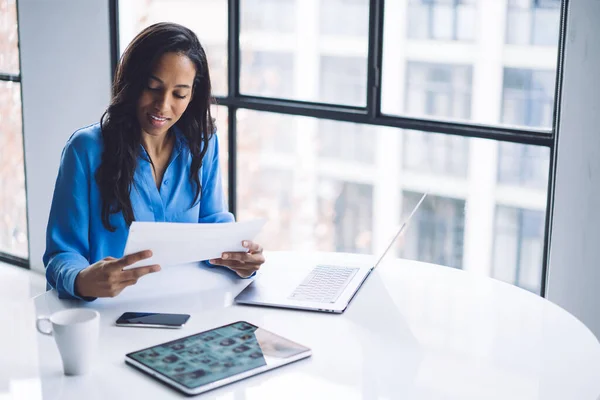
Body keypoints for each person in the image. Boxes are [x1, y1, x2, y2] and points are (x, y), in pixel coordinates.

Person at [44, 22, 264, 300]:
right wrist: (81, 280)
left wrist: (241, 259)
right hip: (107, 313)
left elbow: (214, 226)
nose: (163, 106)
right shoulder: (85, 149)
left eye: (179, 94)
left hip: (188, 304)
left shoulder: (204, 144)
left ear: (193, 94)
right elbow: (61, 254)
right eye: (152, 87)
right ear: (133, 83)